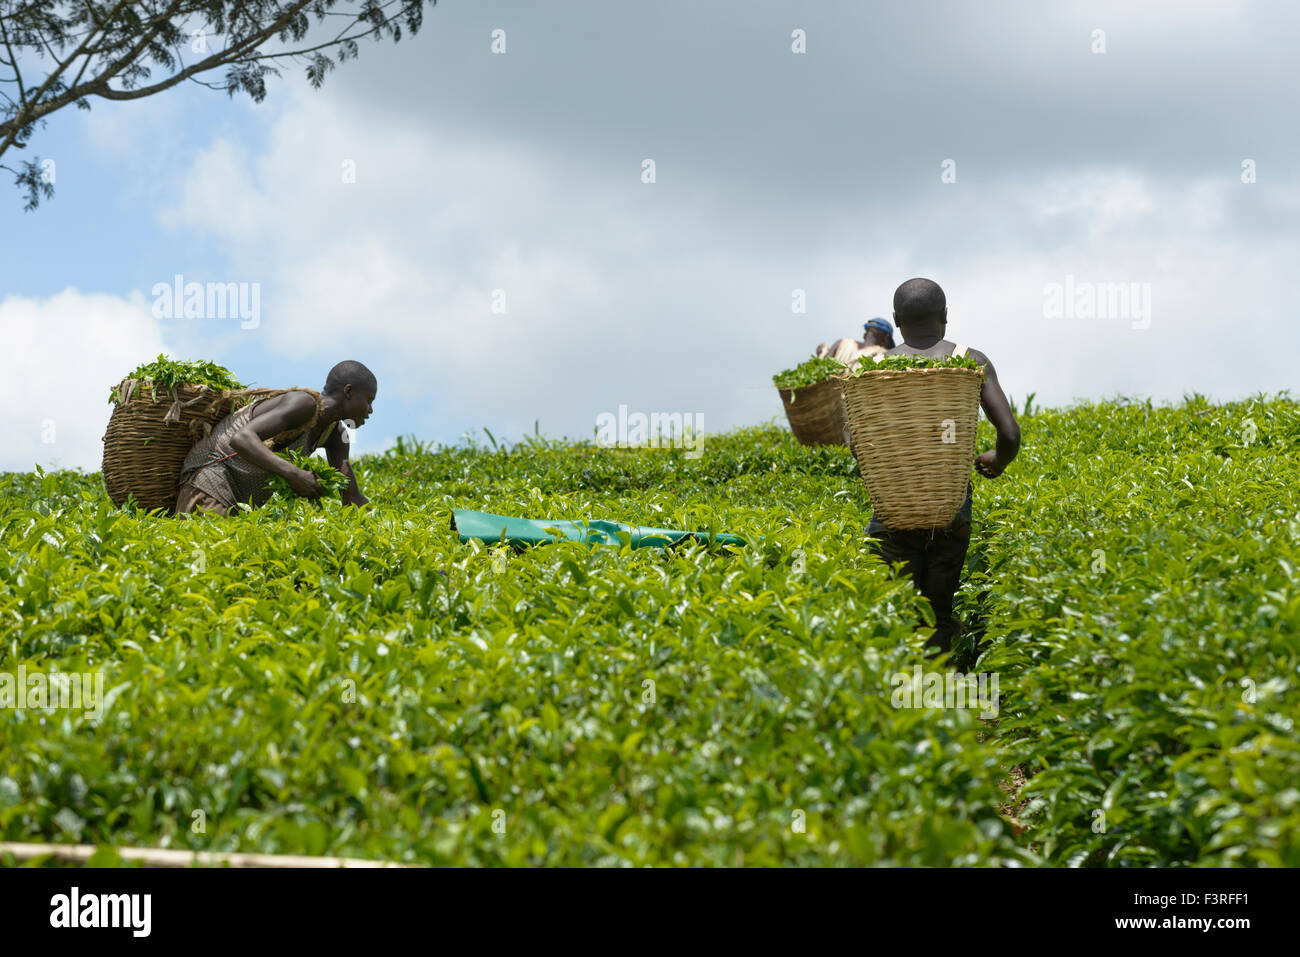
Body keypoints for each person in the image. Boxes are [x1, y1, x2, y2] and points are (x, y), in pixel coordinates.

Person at [867, 279, 1020, 655]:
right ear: (946, 317)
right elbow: (1010, 434)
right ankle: (941, 697)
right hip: (950, 510)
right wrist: (996, 461)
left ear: (896, 321)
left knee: (893, 611)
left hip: (892, 511)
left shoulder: (874, 370)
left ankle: (893, 695)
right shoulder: (971, 360)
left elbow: (858, 444)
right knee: (937, 610)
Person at [176, 360, 376, 517]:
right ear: (348, 391)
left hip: (240, 503)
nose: (370, 410)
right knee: (212, 560)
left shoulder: (336, 435)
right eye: (369, 400)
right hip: (209, 483)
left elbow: (351, 494)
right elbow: (243, 439)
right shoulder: (304, 403)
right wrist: (295, 474)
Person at [817, 317, 896, 365]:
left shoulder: (841, 343)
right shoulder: (882, 354)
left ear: (865, 334)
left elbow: (823, 367)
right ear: (886, 338)